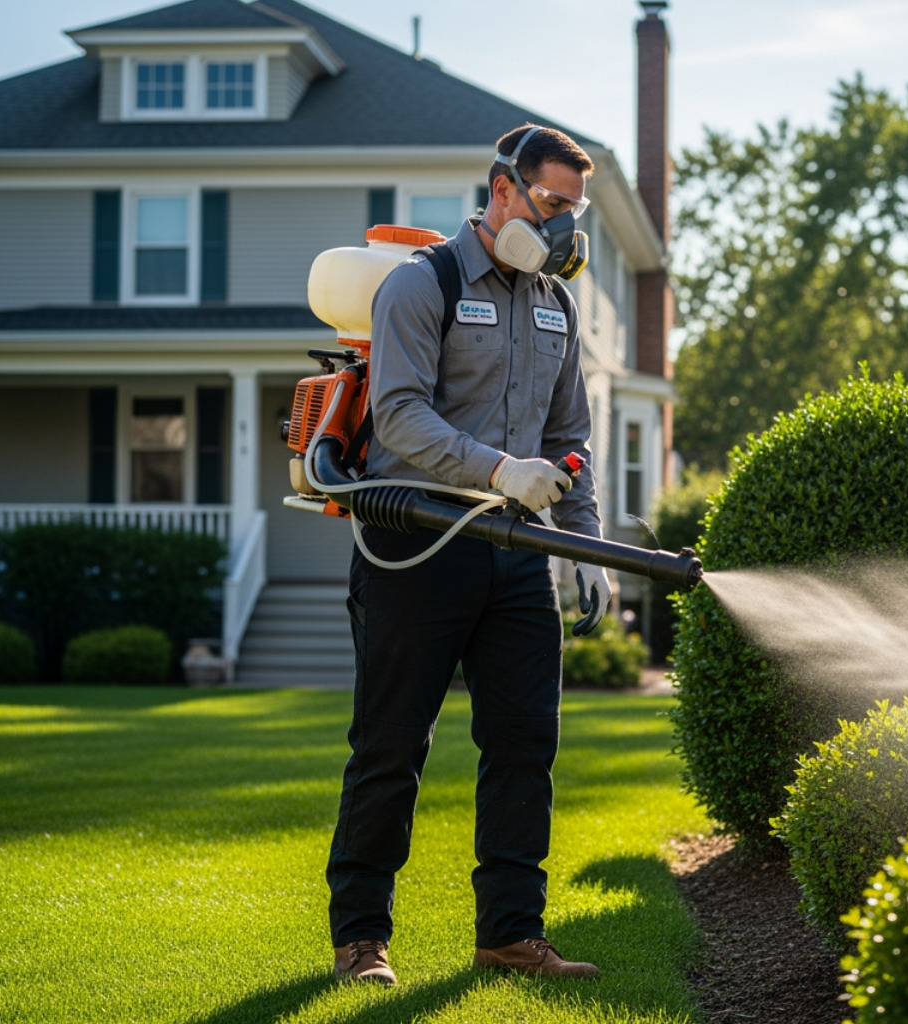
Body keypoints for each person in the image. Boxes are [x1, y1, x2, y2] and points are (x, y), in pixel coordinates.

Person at [326, 124, 610, 985]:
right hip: (415, 543)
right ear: (502, 190)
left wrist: (586, 550)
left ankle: (512, 936)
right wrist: (497, 468)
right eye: (553, 206)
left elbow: (570, 444)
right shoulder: (424, 284)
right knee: (391, 746)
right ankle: (362, 938)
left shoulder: (555, 306)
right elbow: (401, 415)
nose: (565, 229)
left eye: (575, 212)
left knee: (525, 744)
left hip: (517, 553)